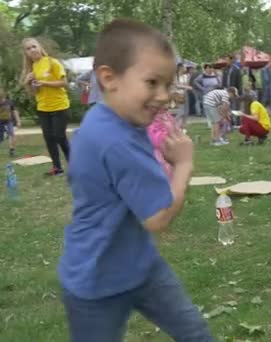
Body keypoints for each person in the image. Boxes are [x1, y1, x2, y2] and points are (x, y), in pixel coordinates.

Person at [58, 19, 213, 342]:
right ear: (109, 78)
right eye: (152, 82)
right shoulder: (116, 141)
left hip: (138, 265)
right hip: (97, 283)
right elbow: (158, 218)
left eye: (168, 85)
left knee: (195, 333)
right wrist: (183, 165)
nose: (163, 95)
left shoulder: (107, 119)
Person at [20, 37, 71, 176]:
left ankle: (74, 165)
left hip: (60, 106)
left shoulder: (52, 62)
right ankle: (57, 168)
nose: (32, 50)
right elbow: (35, 92)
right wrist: (29, 83)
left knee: (60, 136)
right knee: (49, 138)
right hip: (43, 108)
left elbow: (64, 82)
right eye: (28, 48)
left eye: (33, 46)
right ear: (26, 53)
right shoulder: (32, 68)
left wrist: (44, 83)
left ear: (39, 47)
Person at [0, 88, 21, 157]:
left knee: (11, 134)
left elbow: (15, 112)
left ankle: (12, 150)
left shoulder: (9, 102)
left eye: (1, 98)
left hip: (9, 121)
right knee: (1, 138)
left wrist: (18, 121)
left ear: (3, 96)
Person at [173, 63, 192, 127]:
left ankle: (183, 126)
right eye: (184, 67)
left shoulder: (186, 76)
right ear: (180, 68)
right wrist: (186, 87)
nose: (185, 68)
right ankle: (173, 122)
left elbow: (187, 85)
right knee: (182, 111)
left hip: (185, 94)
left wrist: (185, 88)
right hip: (178, 94)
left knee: (186, 111)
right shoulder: (175, 76)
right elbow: (177, 85)